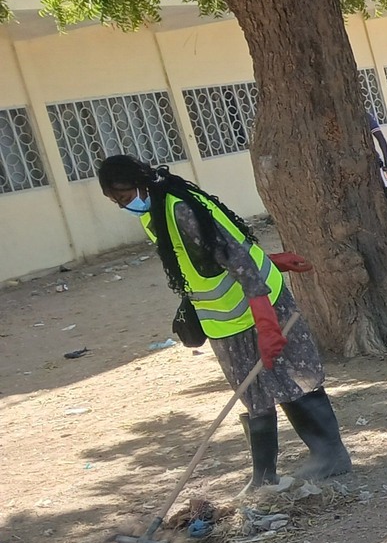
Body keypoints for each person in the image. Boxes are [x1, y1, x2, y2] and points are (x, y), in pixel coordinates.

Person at [96, 155, 352, 489]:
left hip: (262, 304)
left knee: (295, 378)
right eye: (117, 202)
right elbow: (206, 257)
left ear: (142, 183)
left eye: (126, 197)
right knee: (254, 392)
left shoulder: (181, 208)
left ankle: (330, 456)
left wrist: (268, 323)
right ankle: (264, 476)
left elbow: (235, 254)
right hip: (226, 321)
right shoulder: (155, 212)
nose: (125, 206)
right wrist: (272, 262)